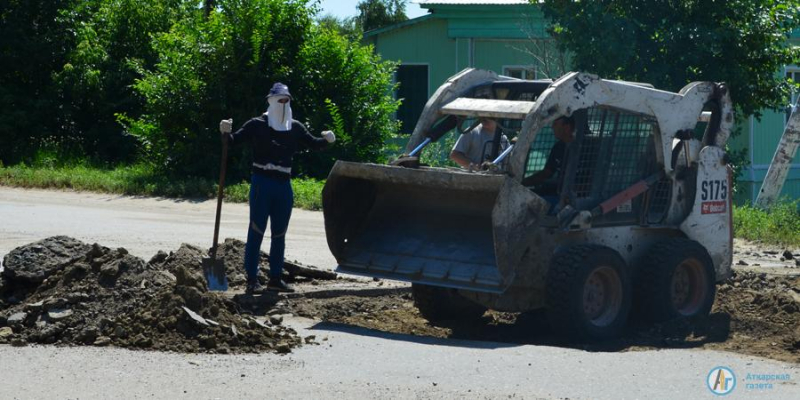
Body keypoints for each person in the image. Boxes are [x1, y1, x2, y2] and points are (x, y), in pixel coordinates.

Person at [220, 83, 335, 294]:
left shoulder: (295, 128)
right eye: (279, 100)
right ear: (271, 101)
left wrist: (327, 140)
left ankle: (275, 278)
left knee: (279, 233)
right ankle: (252, 279)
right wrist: (225, 133)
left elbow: (314, 144)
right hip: (261, 182)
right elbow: (234, 140)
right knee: (256, 229)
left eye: (286, 100)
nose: (283, 104)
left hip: (284, 185)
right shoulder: (257, 125)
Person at [521, 115, 575, 187]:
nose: (552, 127)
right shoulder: (558, 147)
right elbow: (547, 172)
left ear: (567, 127)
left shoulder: (584, 148)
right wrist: (523, 183)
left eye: (555, 124)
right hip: (559, 191)